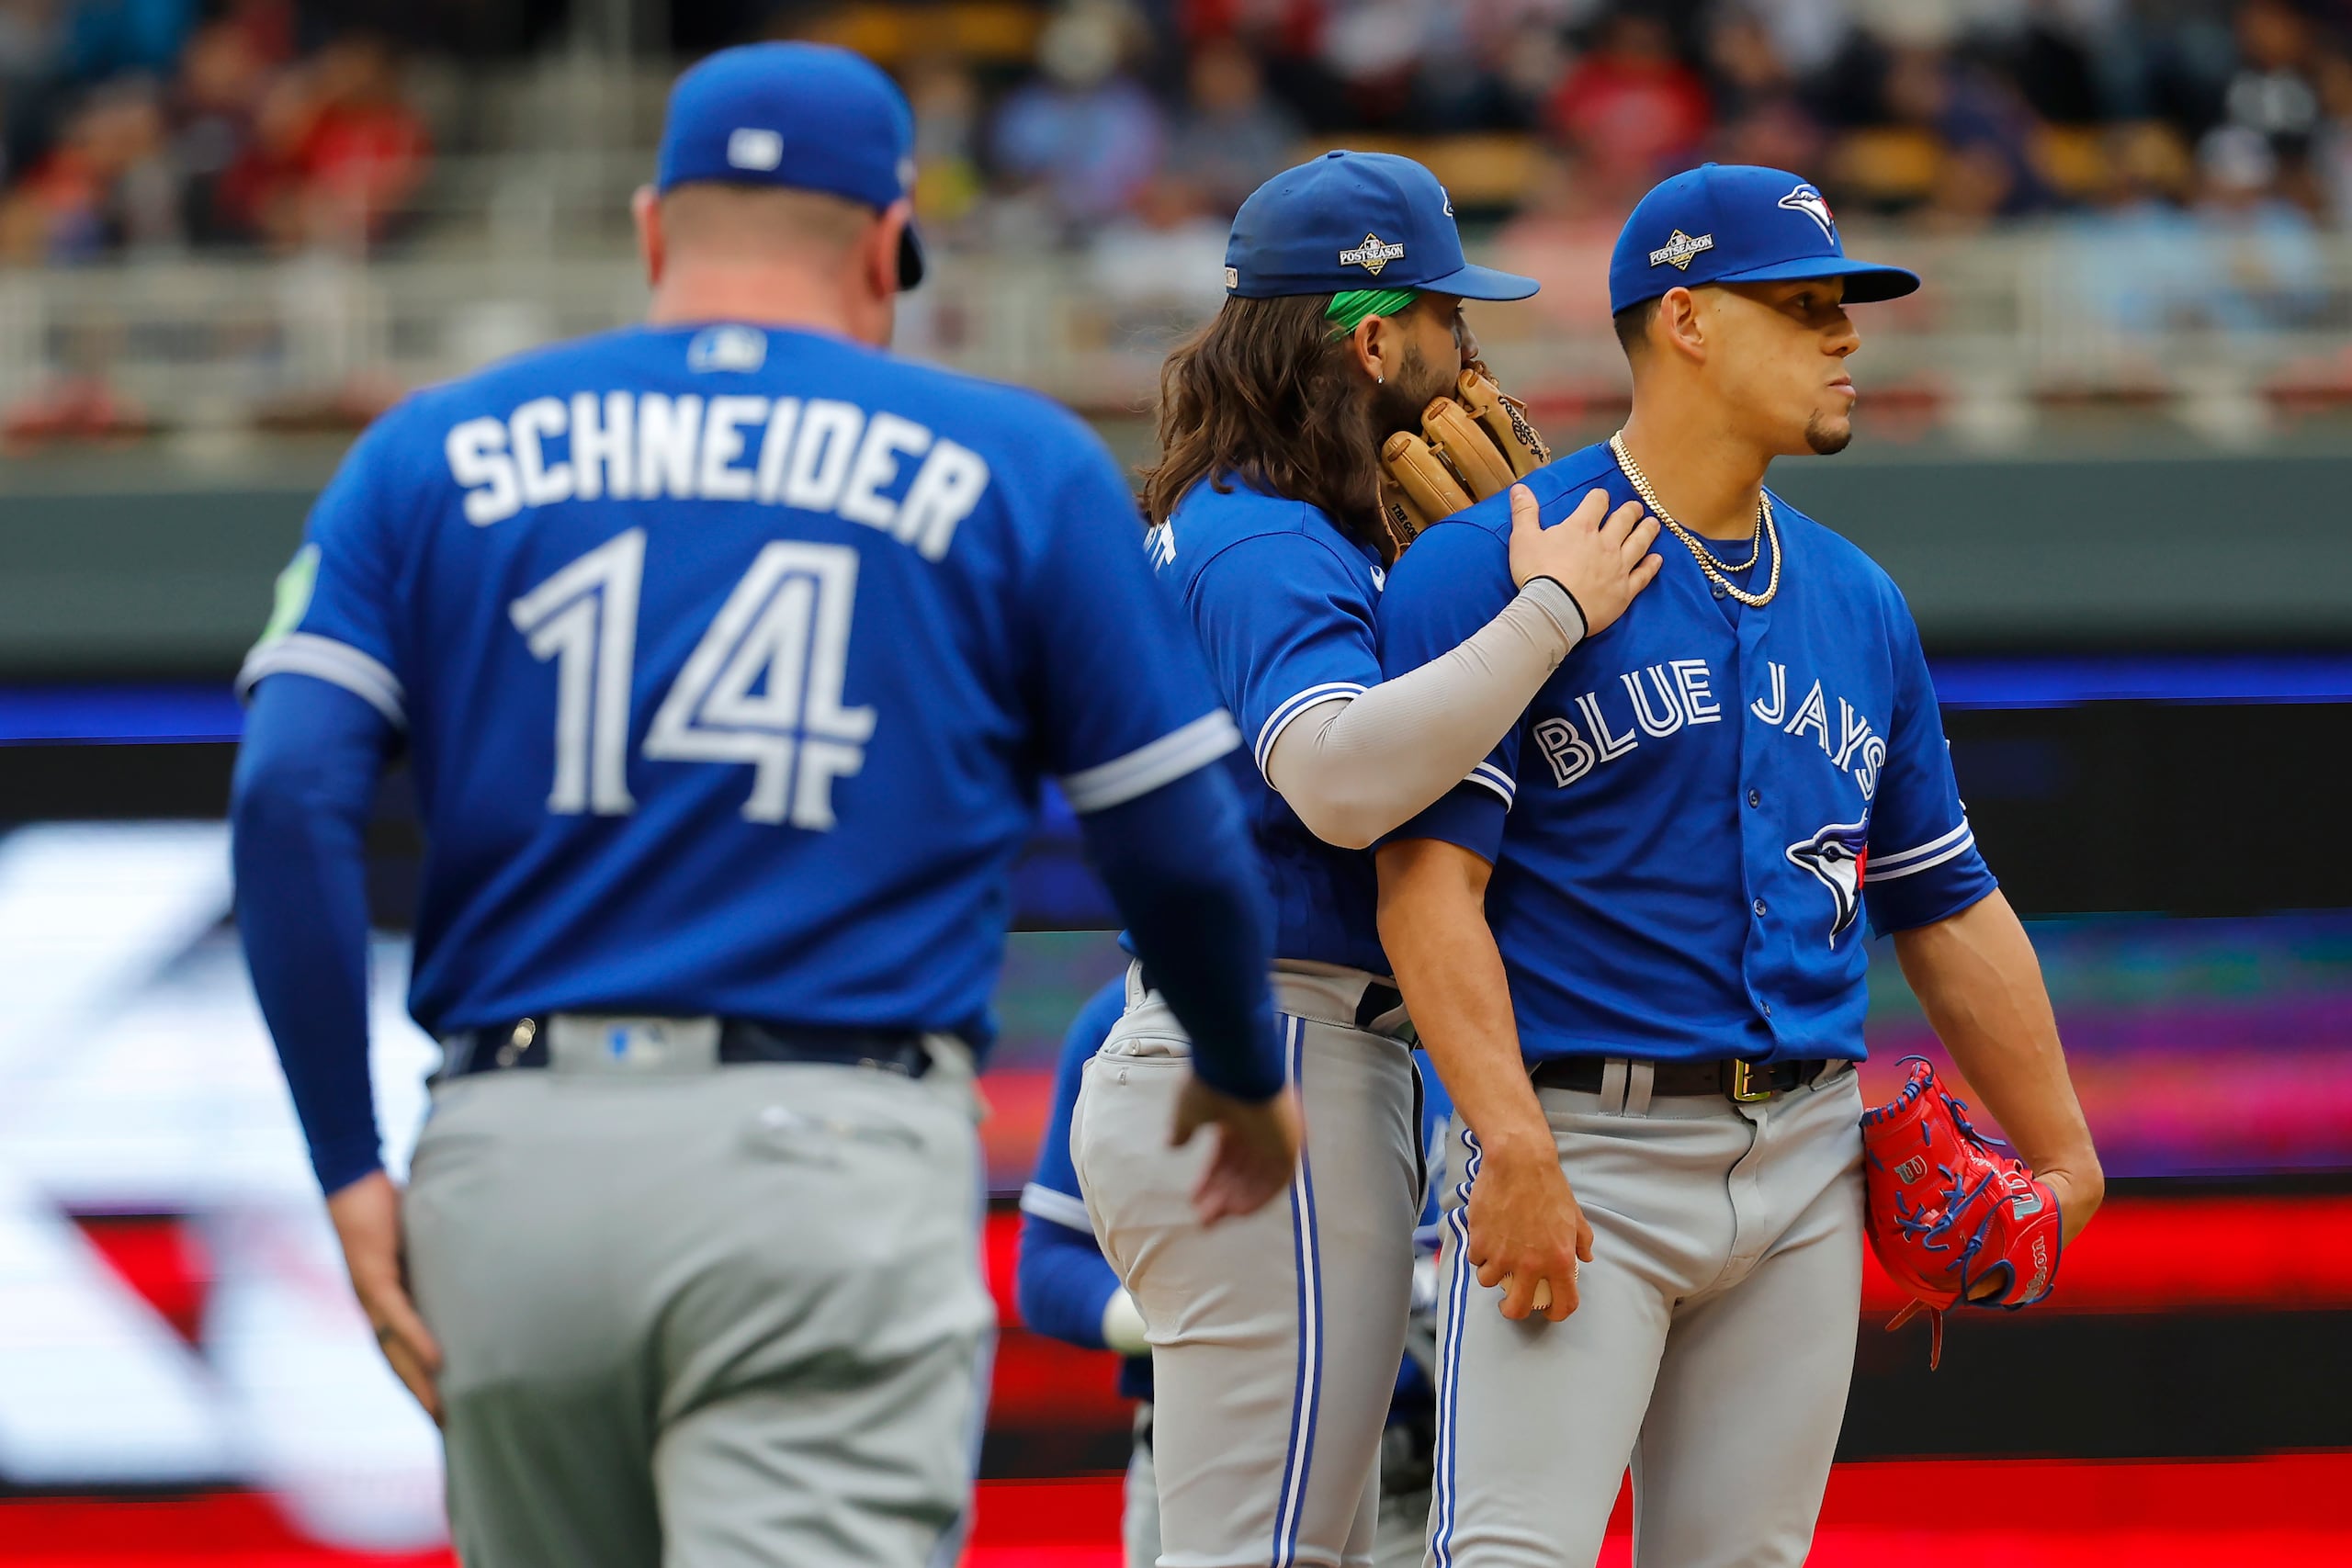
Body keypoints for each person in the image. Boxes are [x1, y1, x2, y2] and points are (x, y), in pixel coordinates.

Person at [227, 42, 1300, 1568]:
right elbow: (1178, 844)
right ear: (884, 244)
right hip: (825, 1158)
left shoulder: (427, 449)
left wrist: (347, 1160)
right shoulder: (1017, 462)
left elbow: (284, 796)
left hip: (509, 1155)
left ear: (655, 226)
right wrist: (1243, 1059)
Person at [1374, 163, 2106, 1566]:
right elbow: (1429, 890)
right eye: (1808, 306)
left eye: (1846, 309)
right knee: (1510, 1553)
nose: (1846, 337)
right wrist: (1510, 1140)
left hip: (1806, 1165)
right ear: (1689, 319)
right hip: (1582, 1151)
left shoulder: (1857, 597)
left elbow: (1946, 897)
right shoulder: (1506, 563)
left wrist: (2066, 1155)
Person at [1069, 149, 1662, 1568]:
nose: (1472, 356)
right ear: (1374, 334)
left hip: (1275, 1041)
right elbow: (1335, 781)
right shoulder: (1262, 538)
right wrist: (1544, 612)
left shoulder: (1251, 522)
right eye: (1449, 317)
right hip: (1281, 1038)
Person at [1021, 978, 1454, 1568]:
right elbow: (1046, 1270)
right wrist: (1194, 1310)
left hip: (1425, 1473)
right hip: (1206, 1445)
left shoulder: (1479, 1028)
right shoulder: (1148, 1006)